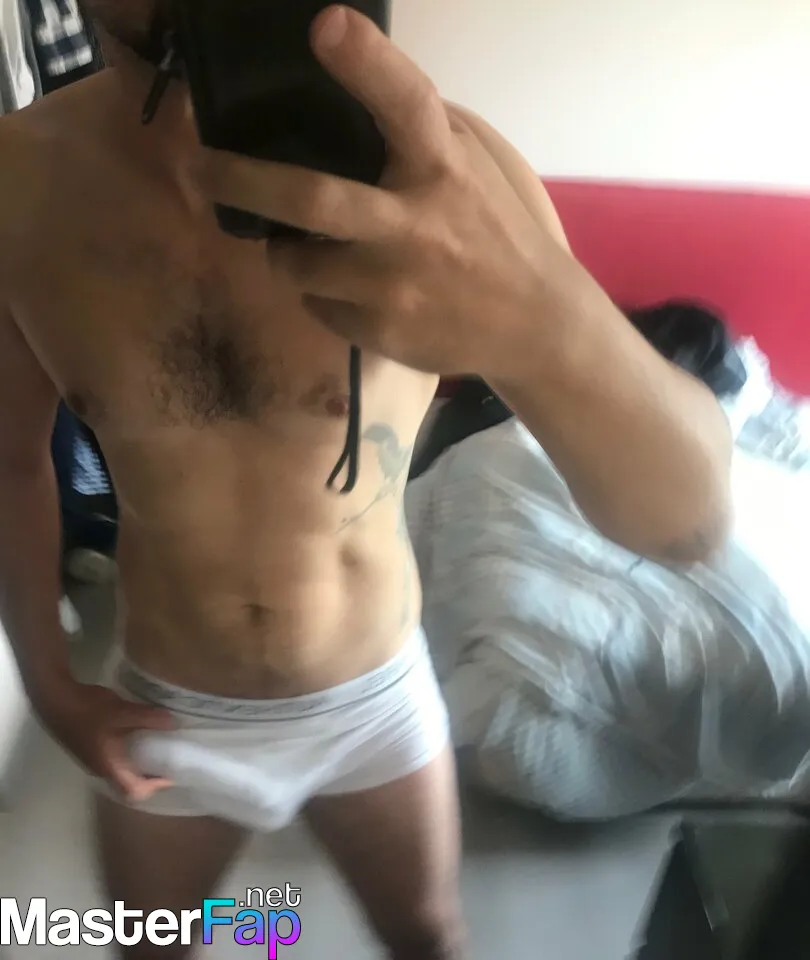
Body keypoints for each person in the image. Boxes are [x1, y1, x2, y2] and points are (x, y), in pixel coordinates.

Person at [0, 4, 733, 958]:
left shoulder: (447, 177)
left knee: (429, 936)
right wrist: (49, 685)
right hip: (170, 703)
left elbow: (688, 522)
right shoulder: (21, 186)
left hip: (373, 698)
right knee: (153, 944)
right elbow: (12, 461)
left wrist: (549, 332)